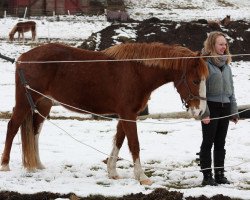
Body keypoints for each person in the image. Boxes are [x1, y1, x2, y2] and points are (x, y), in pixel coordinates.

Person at [199, 31, 239, 186]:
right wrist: (205, 113)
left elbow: (231, 91)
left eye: (225, 44)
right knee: (208, 142)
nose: (224, 47)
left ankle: (220, 173)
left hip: (225, 107)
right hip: (211, 108)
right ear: (212, 45)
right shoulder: (205, 64)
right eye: (221, 44)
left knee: (220, 142)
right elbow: (201, 92)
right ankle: (207, 176)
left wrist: (234, 111)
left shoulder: (227, 66)